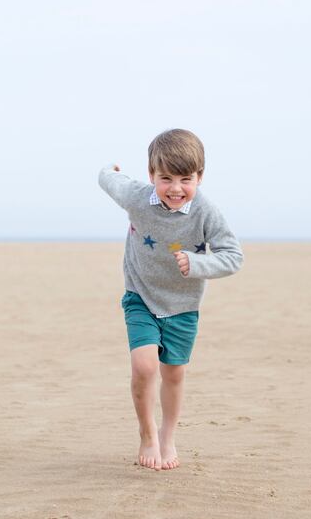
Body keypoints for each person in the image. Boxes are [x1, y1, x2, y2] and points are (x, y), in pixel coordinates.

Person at [98, 128, 244, 471]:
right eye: (165, 179)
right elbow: (108, 180)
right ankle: (147, 434)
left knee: (174, 374)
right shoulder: (136, 196)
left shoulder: (206, 211)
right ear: (151, 175)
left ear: (200, 177)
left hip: (183, 305)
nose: (175, 189)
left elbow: (233, 257)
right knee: (145, 366)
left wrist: (198, 264)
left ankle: (168, 434)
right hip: (141, 295)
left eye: (185, 179)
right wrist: (110, 170)